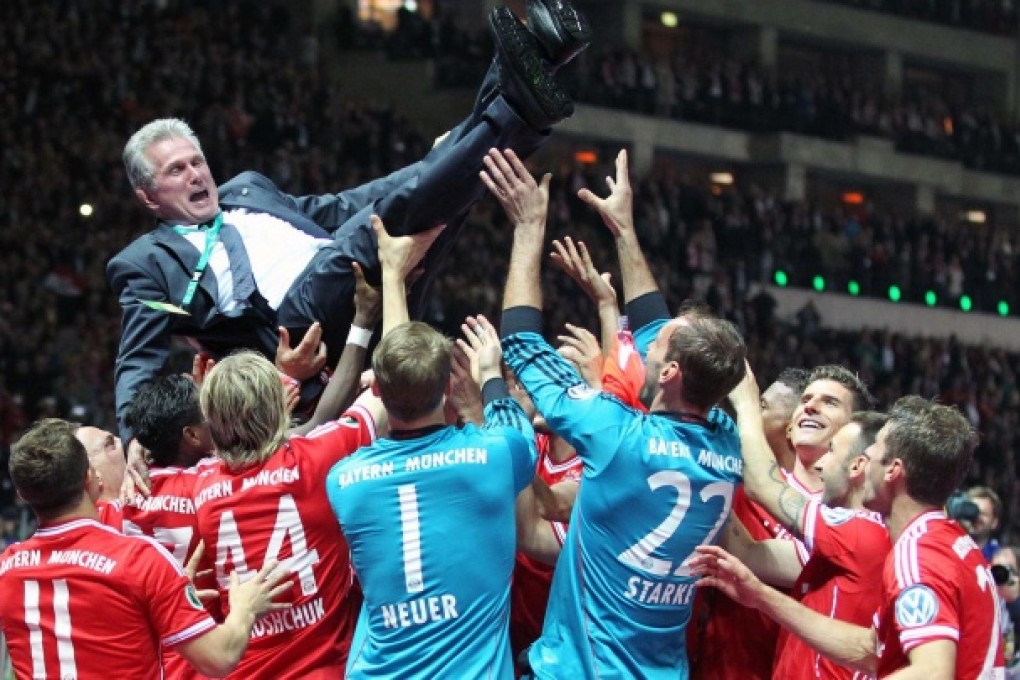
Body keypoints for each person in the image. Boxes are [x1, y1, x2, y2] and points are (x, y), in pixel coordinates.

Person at [107, 1, 591, 448]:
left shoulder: (245, 191)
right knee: (393, 217)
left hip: (342, 270)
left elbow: (342, 206)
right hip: (296, 322)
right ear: (148, 196)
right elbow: (136, 361)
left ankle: (540, 66)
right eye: (176, 171)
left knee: (441, 197)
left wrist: (432, 159)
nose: (196, 174)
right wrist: (135, 445)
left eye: (196, 161)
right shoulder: (144, 263)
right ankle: (527, 96)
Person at [490, 145, 746, 677]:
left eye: (658, 347)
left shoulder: (615, 435)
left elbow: (520, 343)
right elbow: (657, 327)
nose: (644, 340)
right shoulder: (726, 439)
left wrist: (527, 228)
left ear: (671, 374)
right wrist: (624, 230)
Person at [326, 195, 536, 676]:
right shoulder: (496, 455)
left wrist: (392, 276)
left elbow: (398, 378)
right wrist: (489, 376)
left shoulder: (345, 481)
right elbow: (507, 418)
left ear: (373, 390)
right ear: (449, 386)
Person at [692, 395, 1004, 678]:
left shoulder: (919, 553)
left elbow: (932, 673)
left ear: (892, 471)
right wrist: (761, 595)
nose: (862, 462)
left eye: (873, 452)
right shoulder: (948, 540)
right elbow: (871, 651)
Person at [0, 418, 290, 679]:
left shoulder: (6, 568)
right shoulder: (139, 560)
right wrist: (244, 609)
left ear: (23, 495)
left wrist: (156, 605)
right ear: (91, 478)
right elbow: (220, 658)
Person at [727, 366, 891, 680]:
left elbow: (760, 494)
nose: (811, 406)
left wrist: (745, 403)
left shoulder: (857, 526)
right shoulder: (744, 484)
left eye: (830, 402)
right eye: (806, 399)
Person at [690, 367, 808, 680]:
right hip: (711, 663)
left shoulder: (819, 511)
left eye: (762, 406)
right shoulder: (733, 479)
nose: (750, 412)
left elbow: (746, 552)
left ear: (792, 426)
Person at [966, 485, 1003, 561]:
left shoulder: (998, 557)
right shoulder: (948, 545)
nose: (976, 516)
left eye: (983, 513)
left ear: (994, 522)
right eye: (972, 510)